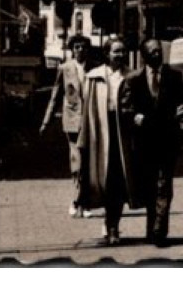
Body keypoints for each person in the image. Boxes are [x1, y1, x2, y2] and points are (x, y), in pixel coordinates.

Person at [122, 39, 183, 246]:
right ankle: (151, 229)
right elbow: (125, 108)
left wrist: (182, 111)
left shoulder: (174, 77)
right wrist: (134, 116)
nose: (157, 54)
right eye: (152, 52)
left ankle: (159, 232)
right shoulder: (133, 80)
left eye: (159, 51)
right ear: (144, 56)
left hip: (167, 140)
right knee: (150, 187)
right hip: (144, 143)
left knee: (164, 186)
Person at [78, 38, 138, 246]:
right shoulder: (94, 77)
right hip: (101, 133)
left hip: (123, 133)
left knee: (120, 182)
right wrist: (83, 139)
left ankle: (114, 227)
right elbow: (86, 111)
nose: (120, 55)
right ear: (107, 54)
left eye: (123, 51)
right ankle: (109, 221)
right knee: (104, 180)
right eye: (116, 52)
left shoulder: (131, 76)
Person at [41, 35, 91, 217]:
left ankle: (82, 201)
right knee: (77, 160)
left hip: (91, 120)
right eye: (77, 47)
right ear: (72, 49)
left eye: (83, 47)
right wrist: (46, 121)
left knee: (87, 162)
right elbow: (55, 95)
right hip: (71, 121)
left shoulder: (94, 68)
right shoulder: (65, 68)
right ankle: (77, 200)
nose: (80, 50)